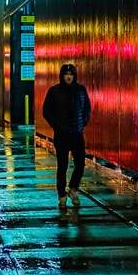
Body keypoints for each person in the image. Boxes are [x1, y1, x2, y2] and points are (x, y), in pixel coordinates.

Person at [42, 63, 92, 209]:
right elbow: (46, 111)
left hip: (77, 134)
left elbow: (87, 108)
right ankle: (61, 196)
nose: (68, 76)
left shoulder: (81, 90)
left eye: (71, 74)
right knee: (62, 166)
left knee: (80, 164)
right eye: (66, 74)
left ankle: (73, 188)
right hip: (61, 135)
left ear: (74, 75)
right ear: (62, 76)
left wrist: (83, 122)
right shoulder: (54, 91)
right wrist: (56, 125)